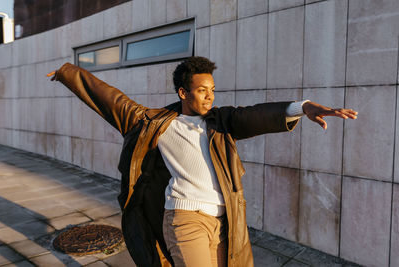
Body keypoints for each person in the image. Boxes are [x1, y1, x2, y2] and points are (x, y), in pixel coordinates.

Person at [47, 57, 357, 267]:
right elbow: (108, 98)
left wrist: (302, 107)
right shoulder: (155, 123)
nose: (209, 96)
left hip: (225, 221)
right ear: (183, 92)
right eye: (200, 90)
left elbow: (257, 115)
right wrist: (67, 73)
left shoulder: (222, 121)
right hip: (185, 219)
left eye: (211, 90)